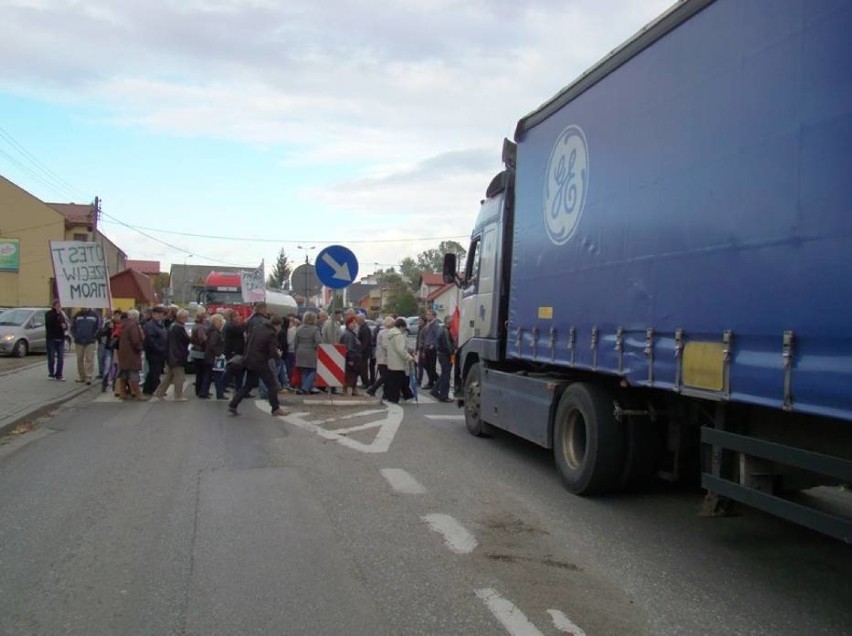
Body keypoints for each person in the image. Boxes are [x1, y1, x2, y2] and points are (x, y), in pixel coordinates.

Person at [228, 315, 286, 416]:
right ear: (277, 325)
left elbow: (248, 342)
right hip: (260, 362)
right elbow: (272, 351)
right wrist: (278, 355)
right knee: (272, 385)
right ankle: (275, 408)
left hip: (249, 360)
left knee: (248, 385)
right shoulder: (271, 334)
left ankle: (233, 404)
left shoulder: (257, 329)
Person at [153, 309, 191, 401]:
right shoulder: (179, 328)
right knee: (179, 377)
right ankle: (178, 395)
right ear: (183, 317)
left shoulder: (172, 326)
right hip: (177, 355)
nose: (187, 319)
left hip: (171, 355)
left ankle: (159, 393)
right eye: (186, 317)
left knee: (169, 376)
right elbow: (187, 340)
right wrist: (189, 336)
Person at [116, 309, 146, 400]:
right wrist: (139, 348)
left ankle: (123, 393)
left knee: (124, 373)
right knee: (134, 373)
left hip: (123, 352)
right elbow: (135, 340)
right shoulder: (133, 325)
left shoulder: (123, 324)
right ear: (136, 317)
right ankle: (138, 394)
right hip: (131, 353)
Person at [384, 317, 415, 404]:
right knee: (399, 382)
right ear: (401, 327)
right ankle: (396, 398)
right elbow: (401, 350)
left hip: (392, 362)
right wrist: (409, 357)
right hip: (399, 363)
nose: (404, 330)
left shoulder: (390, 334)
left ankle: (403, 396)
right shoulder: (399, 336)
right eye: (404, 328)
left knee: (395, 382)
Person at [294, 311, 322, 394]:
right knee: (314, 370)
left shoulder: (299, 328)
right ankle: (305, 387)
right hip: (311, 351)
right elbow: (318, 341)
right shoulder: (315, 329)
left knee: (304, 371)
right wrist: (314, 346)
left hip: (300, 351)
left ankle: (305, 388)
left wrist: (297, 350)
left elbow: (295, 342)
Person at [199, 313, 226, 400]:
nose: (222, 323)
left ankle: (203, 392)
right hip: (214, 358)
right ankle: (220, 394)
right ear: (217, 322)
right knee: (218, 376)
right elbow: (212, 345)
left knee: (208, 375)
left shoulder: (211, 331)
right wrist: (219, 353)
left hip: (209, 357)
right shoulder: (215, 333)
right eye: (221, 321)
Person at [142, 306, 168, 395]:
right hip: (154, 353)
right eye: (158, 314)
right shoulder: (150, 325)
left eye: (161, 314)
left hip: (160, 352)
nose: (160, 316)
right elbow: (150, 340)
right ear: (153, 314)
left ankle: (149, 389)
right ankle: (152, 389)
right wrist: (160, 349)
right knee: (154, 371)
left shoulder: (160, 324)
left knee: (155, 371)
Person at [366, 316, 393, 397]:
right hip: (385, 358)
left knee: (385, 377)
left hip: (381, 357)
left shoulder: (381, 332)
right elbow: (386, 345)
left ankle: (385, 393)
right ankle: (373, 389)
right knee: (385, 376)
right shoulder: (386, 333)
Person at [222, 310, 246, 394]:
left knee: (238, 371)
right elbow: (241, 330)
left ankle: (239, 389)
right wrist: (245, 323)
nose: (239, 317)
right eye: (237, 316)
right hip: (233, 351)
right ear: (233, 317)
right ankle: (223, 385)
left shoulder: (231, 325)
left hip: (235, 351)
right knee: (231, 370)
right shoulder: (230, 326)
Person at [431, 322, 455, 403]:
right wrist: (452, 353)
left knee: (444, 374)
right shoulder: (445, 331)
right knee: (446, 376)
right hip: (445, 355)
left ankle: (435, 390)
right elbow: (448, 345)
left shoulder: (441, 330)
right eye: (451, 321)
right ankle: (443, 396)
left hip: (442, 355)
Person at [45, 299, 69, 381]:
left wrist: (65, 326)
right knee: (51, 357)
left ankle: (59, 374)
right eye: (58, 306)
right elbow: (49, 322)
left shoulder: (63, 315)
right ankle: (51, 373)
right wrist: (57, 314)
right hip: (51, 338)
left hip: (60, 338)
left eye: (60, 306)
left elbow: (66, 324)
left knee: (61, 358)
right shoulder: (49, 314)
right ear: (54, 306)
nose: (60, 307)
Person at [340, 315, 361, 396]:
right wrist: (351, 359)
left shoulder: (351, 333)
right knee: (349, 374)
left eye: (355, 323)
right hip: (351, 358)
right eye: (353, 323)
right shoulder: (348, 335)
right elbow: (349, 348)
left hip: (354, 358)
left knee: (353, 374)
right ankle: (346, 390)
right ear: (348, 324)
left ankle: (353, 389)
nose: (355, 325)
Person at [189, 309, 208, 397]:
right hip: (200, 352)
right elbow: (203, 340)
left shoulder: (195, 325)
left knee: (199, 373)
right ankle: (201, 391)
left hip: (196, 351)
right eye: (205, 316)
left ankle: (199, 390)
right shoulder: (200, 327)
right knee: (202, 373)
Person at [420, 309, 441, 390]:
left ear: (434, 316)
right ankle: (433, 381)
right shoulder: (429, 324)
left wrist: (433, 345)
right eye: (427, 314)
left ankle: (436, 381)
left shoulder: (435, 325)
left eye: (429, 315)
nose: (427, 316)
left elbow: (438, 336)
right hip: (426, 348)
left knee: (431, 367)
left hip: (431, 349)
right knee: (426, 365)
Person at [356, 314, 373, 389]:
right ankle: (365, 382)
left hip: (364, 353)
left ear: (361, 320)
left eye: (358, 320)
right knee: (362, 368)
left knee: (363, 368)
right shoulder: (363, 327)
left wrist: (361, 351)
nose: (357, 321)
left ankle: (365, 383)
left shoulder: (365, 329)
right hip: (363, 352)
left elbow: (365, 342)